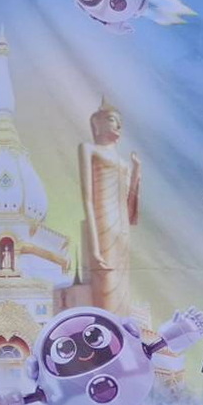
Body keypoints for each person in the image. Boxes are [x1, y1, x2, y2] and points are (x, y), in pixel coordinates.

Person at [78, 98, 141, 318]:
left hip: (121, 228)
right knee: (105, 287)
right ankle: (106, 333)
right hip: (102, 224)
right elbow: (88, 200)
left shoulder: (124, 165)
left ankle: (122, 334)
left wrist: (136, 172)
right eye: (113, 120)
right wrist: (94, 248)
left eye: (119, 122)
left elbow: (130, 210)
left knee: (122, 290)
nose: (118, 126)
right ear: (98, 123)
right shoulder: (89, 150)